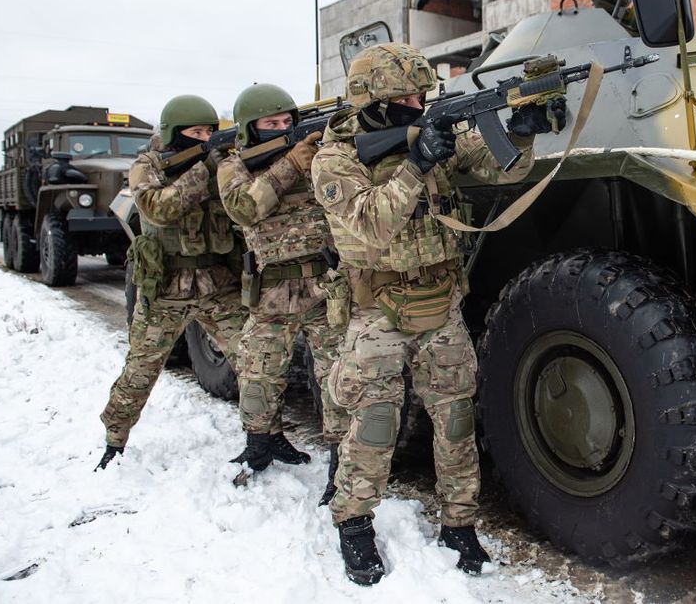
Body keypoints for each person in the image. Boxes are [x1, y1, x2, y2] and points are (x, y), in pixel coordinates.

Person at [312, 43, 565, 585]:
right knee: (375, 421)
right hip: (376, 308)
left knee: (455, 421)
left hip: (441, 302)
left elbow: (503, 168)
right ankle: (353, 522)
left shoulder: (429, 131)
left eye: (421, 96)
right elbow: (372, 224)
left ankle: (459, 523)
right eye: (404, 99)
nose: (417, 105)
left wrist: (521, 131)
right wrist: (416, 163)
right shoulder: (334, 159)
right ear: (372, 103)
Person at [98, 95, 249, 470]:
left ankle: (266, 436)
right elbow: (159, 208)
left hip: (217, 284)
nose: (205, 138)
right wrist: (205, 168)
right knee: (141, 369)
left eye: (210, 132)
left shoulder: (220, 162)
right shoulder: (148, 166)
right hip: (166, 287)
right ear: (173, 133)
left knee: (256, 363)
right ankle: (114, 441)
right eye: (196, 133)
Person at [218, 83, 349, 498]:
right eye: (270, 124)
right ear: (249, 130)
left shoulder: (316, 154)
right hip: (272, 290)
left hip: (324, 286)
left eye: (285, 122)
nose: (281, 129)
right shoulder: (233, 166)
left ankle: (341, 463)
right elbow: (244, 208)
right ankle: (260, 445)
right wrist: (292, 162)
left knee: (336, 377)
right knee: (259, 372)